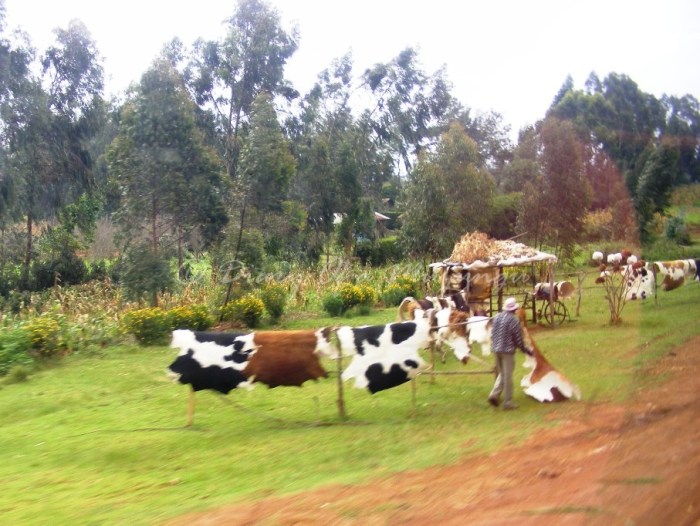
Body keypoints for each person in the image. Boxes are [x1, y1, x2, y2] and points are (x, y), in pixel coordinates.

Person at [487, 297, 533, 410]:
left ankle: (494, 394)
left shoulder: (497, 317)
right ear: (514, 309)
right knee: (507, 376)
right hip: (507, 352)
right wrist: (528, 351)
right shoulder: (513, 321)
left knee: (502, 374)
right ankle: (507, 402)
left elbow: (492, 333)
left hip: (496, 350)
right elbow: (518, 341)